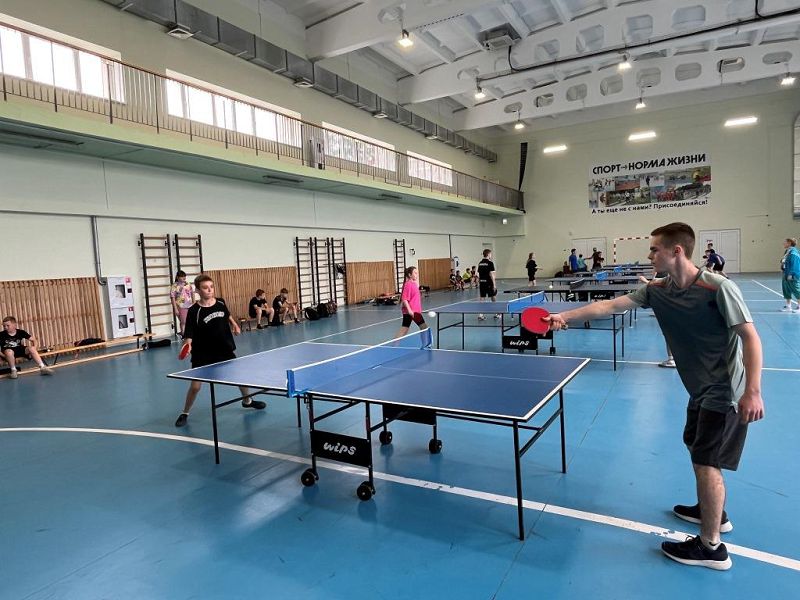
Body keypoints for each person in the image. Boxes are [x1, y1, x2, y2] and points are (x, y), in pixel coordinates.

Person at [545, 222, 764, 570]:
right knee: (695, 447)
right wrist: (563, 316)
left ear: (676, 251)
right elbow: (609, 306)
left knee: (707, 461)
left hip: (725, 393)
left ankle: (711, 548)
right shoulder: (657, 290)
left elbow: (750, 338)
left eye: (654, 249)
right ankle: (712, 511)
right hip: (699, 389)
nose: (649, 255)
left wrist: (752, 391)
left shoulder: (717, 288)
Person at [175, 274, 265, 427]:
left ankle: (247, 401)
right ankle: (185, 412)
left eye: (211, 287)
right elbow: (189, 334)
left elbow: (227, 315)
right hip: (202, 353)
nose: (209, 290)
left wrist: (235, 325)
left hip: (224, 349)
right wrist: (188, 344)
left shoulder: (221, 302)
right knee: (195, 387)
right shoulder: (194, 310)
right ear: (198, 291)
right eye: (205, 288)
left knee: (240, 377)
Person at [394, 266, 428, 338]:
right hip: (412, 311)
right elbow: (404, 299)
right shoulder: (408, 284)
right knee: (424, 327)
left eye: (417, 273)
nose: (417, 275)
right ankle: (426, 343)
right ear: (410, 275)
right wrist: (409, 310)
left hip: (414, 311)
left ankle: (394, 344)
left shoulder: (414, 284)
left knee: (404, 329)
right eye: (415, 273)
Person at [170, 270, 195, 337]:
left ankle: (189, 335)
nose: (184, 277)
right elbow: (172, 297)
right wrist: (175, 309)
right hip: (181, 306)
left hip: (189, 305)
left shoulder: (187, 284)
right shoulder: (174, 286)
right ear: (177, 277)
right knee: (183, 321)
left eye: (184, 276)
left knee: (190, 321)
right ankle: (184, 335)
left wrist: (194, 302)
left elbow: (192, 293)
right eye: (182, 276)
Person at [477, 249, 499, 320]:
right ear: (488, 254)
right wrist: (494, 284)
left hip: (482, 282)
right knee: (493, 297)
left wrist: (479, 281)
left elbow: (479, 274)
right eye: (490, 254)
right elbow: (491, 274)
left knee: (482, 298)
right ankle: (497, 313)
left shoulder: (480, 263)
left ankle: (480, 315)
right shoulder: (490, 263)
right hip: (489, 283)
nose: (491, 255)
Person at [780, 237, 800, 312]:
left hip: (792, 275)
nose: (783, 243)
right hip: (786, 273)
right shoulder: (787, 251)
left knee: (796, 290)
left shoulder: (794, 252)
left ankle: (799, 307)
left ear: (789, 243)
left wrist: (791, 274)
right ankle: (788, 306)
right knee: (786, 290)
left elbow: (795, 264)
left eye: (785, 242)